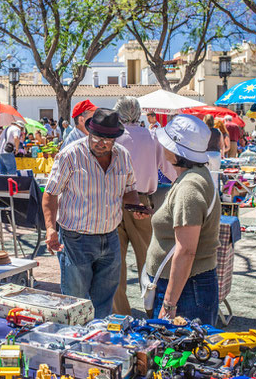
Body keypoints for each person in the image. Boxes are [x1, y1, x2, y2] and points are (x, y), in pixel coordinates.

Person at [42, 108, 146, 318]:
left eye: (108, 140)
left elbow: (129, 189)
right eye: (97, 137)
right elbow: (50, 194)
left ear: (115, 139)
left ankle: (97, 344)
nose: (102, 143)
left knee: (104, 303)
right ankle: (72, 346)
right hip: (75, 240)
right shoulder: (70, 155)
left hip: (110, 238)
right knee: (75, 304)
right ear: (89, 132)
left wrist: (135, 206)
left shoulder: (123, 157)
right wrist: (51, 228)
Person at [145, 114, 221, 324]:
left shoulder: (189, 186)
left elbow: (186, 250)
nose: (161, 144)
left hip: (185, 291)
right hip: (188, 288)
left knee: (181, 355)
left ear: (177, 150)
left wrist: (169, 304)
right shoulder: (194, 177)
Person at [113, 96, 176, 315]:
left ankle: (120, 314)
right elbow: (169, 170)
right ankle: (153, 310)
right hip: (142, 203)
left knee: (116, 263)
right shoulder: (152, 137)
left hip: (115, 203)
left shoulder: (114, 138)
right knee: (148, 262)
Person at [204, 114, 223, 187]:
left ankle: (207, 195)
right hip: (216, 154)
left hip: (206, 154)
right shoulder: (217, 131)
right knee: (215, 177)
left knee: (206, 176)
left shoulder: (203, 131)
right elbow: (221, 145)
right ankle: (215, 196)